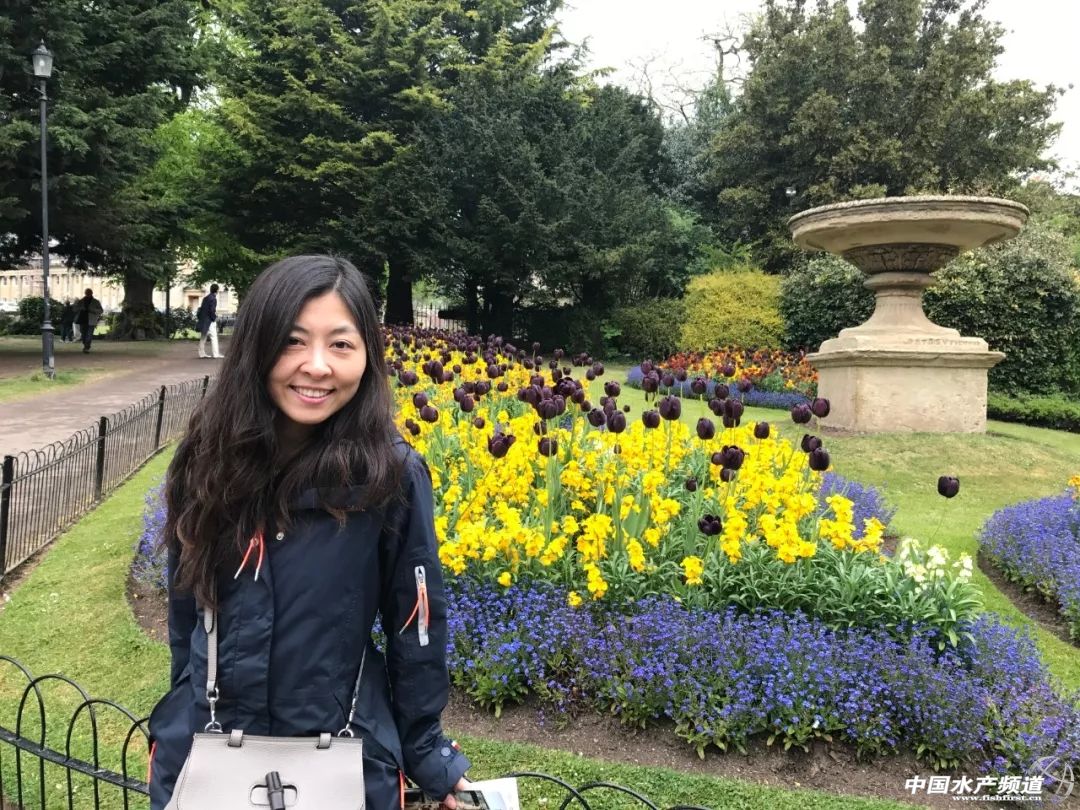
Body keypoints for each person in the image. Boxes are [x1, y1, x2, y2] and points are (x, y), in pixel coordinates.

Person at [148, 256, 471, 810]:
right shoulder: (208, 460)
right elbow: (187, 608)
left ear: (367, 356)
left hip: (340, 755)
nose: (317, 366)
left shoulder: (387, 475)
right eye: (292, 341)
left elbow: (415, 623)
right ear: (256, 346)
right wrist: (186, 701)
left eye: (341, 345)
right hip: (207, 749)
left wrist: (427, 752)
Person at [195, 283, 224, 358]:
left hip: (203, 320)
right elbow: (212, 310)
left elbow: (202, 309)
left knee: (203, 337)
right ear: (217, 290)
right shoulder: (213, 299)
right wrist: (214, 318)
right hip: (210, 321)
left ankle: (201, 353)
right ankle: (216, 354)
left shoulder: (205, 298)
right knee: (214, 337)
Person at [73, 288, 103, 353]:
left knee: (89, 334)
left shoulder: (96, 301)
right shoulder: (81, 301)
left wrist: (92, 310)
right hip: (82, 320)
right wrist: (80, 308)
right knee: (83, 334)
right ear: (85, 293)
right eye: (87, 293)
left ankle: (87, 347)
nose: (88, 294)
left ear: (91, 293)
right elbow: (75, 309)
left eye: (89, 293)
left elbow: (101, 310)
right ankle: (85, 345)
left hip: (91, 320)